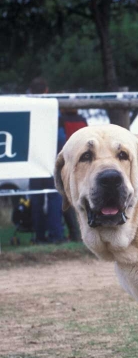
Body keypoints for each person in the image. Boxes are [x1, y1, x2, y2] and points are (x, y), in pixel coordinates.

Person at [28, 77, 66, 244]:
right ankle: (56, 235)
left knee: (36, 198)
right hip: (51, 158)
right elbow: (60, 136)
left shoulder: (27, 107)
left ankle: (39, 235)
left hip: (34, 159)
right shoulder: (52, 108)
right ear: (46, 90)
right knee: (54, 196)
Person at [59, 106, 89, 241]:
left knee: (68, 200)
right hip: (86, 165)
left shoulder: (61, 121)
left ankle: (75, 233)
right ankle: (78, 233)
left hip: (69, 164)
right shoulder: (82, 120)